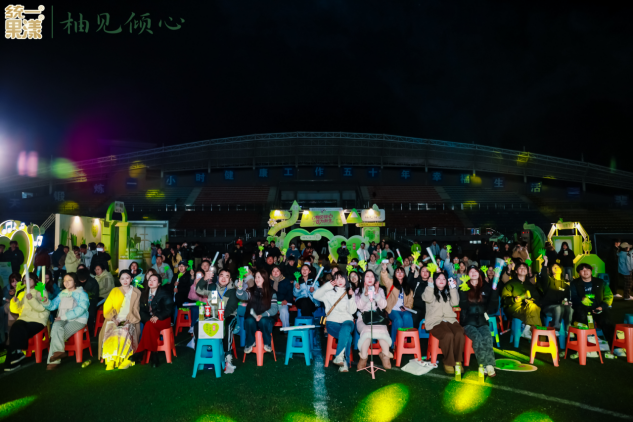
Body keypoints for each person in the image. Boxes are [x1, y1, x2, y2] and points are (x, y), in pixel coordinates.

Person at [41, 272, 89, 370]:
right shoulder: (62, 293)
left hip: (78, 320)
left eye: (69, 280)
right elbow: (53, 305)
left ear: (75, 282)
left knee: (57, 334)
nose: (66, 282)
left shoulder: (82, 294)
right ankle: (59, 353)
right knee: (55, 327)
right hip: (63, 318)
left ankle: (53, 361)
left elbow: (82, 309)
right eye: (64, 281)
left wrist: (64, 317)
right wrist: (46, 302)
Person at [4, 273, 49, 371]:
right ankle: (15, 355)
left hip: (38, 319)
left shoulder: (41, 290)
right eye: (24, 281)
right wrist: (14, 302)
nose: (26, 282)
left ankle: (15, 356)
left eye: (29, 280)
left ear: (35, 280)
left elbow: (42, 308)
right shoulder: (21, 293)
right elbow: (15, 310)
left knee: (20, 328)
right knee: (15, 327)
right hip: (24, 318)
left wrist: (31, 299)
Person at [458, 266, 498, 377]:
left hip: (482, 321)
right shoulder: (463, 287)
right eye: (470, 271)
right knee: (477, 337)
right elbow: (463, 305)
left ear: (479, 273)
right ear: (467, 275)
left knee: (487, 337)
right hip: (468, 322)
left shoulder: (485, 287)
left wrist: (494, 291)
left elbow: (492, 307)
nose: (473, 273)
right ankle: (484, 364)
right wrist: (463, 290)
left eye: (475, 271)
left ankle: (489, 365)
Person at [99, 269, 142, 370]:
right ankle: (111, 360)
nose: (125, 281)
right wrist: (113, 319)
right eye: (122, 278)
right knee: (111, 331)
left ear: (131, 279)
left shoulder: (136, 292)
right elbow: (107, 307)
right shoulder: (115, 291)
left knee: (124, 331)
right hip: (115, 318)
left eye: (127, 278)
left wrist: (129, 320)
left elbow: (136, 309)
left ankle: (126, 359)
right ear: (119, 280)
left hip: (130, 319)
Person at [314, 273, 357, 372]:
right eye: (337, 279)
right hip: (332, 321)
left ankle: (339, 357)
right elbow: (315, 295)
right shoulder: (329, 292)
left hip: (347, 321)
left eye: (342, 278)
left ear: (346, 279)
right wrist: (327, 286)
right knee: (348, 337)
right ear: (333, 281)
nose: (340, 281)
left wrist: (351, 297)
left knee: (346, 327)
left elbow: (352, 311)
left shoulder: (349, 292)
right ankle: (344, 362)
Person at [423, 272, 463, 374]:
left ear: (447, 282)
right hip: (435, 321)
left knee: (459, 333)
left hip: (450, 320)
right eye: (439, 278)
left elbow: (455, 303)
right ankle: (448, 362)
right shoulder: (430, 290)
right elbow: (427, 298)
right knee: (448, 334)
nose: (441, 280)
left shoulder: (448, 291)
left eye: (444, 279)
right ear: (434, 280)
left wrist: (453, 288)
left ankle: (458, 361)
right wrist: (430, 285)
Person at [570, 263, 615, 347]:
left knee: (607, 320)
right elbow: (572, 297)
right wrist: (581, 299)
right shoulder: (574, 283)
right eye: (582, 270)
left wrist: (602, 307)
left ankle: (614, 346)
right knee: (581, 319)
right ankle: (583, 345)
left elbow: (609, 296)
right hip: (582, 308)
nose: (585, 272)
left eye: (587, 269)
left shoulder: (600, 282)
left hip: (598, 307)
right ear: (579, 273)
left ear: (591, 271)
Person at [354, 270, 391, 370]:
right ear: (363, 279)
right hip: (363, 319)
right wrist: (365, 295)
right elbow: (359, 306)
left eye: (372, 276)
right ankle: (363, 357)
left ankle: (385, 356)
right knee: (367, 331)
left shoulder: (380, 290)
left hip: (377, 319)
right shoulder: (358, 290)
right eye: (367, 276)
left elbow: (384, 305)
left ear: (375, 279)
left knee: (383, 330)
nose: (370, 278)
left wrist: (377, 294)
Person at [136, 273, 174, 367]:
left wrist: (158, 316)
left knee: (149, 325)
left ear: (159, 283)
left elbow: (169, 309)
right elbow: (141, 311)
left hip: (163, 319)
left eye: (154, 280)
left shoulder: (164, 293)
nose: (151, 282)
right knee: (149, 325)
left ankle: (140, 352)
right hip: (150, 320)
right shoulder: (144, 293)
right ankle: (154, 355)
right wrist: (149, 319)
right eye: (150, 280)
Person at [237, 269, 278, 353]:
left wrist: (262, 315)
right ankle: (250, 343)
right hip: (252, 317)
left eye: (259, 277)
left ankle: (267, 343)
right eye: (255, 277)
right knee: (249, 321)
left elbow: (274, 309)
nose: (256, 279)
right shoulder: (251, 291)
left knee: (264, 321)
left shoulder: (271, 293)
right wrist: (240, 288)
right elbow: (241, 296)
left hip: (266, 317)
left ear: (264, 279)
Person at [500, 261, 542, 339]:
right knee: (534, 310)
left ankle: (528, 329)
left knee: (533, 307)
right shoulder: (510, 284)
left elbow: (537, 297)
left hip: (529, 308)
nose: (523, 269)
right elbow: (504, 299)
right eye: (520, 267)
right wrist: (514, 299)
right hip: (514, 308)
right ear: (516, 271)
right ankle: (538, 336)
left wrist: (532, 300)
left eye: (525, 268)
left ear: (527, 271)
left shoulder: (530, 285)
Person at [381, 263, 414, 344]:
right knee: (398, 320)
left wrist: (407, 307)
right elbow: (384, 279)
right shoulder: (391, 283)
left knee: (407, 316)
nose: (399, 274)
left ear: (404, 274)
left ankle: (406, 341)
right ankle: (395, 343)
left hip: (404, 309)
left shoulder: (407, 286)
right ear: (394, 274)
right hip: (392, 309)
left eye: (402, 272)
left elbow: (411, 300)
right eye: (397, 272)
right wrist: (384, 270)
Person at [539, 255, 573, 335]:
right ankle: (555, 329)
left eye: (558, 267)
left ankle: (568, 330)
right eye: (553, 267)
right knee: (558, 307)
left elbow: (567, 298)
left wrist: (567, 302)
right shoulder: (549, 281)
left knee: (570, 309)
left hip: (562, 308)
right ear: (551, 270)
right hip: (548, 308)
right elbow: (543, 275)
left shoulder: (566, 285)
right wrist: (546, 263)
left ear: (561, 270)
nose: (556, 268)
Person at [406, 262, 431, 330]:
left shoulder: (431, 283)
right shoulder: (417, 281)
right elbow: (408, 282)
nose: (425, 273)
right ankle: (412, 334)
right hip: (416, 308)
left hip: (429, 309)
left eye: (427, 271)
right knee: (412, 318)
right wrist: (412, 271)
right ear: (419, 272)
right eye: (423, 271)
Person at [0, 273, 21, 344]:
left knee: (10, 312)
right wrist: (9, 298)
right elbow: (3, 301)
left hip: (17, 310)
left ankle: (7, 339)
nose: (15, 283)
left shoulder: (22, 289)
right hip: (8, 309)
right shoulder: (7, 290)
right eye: (13, 281)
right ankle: (5, 339)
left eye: (16, 281)